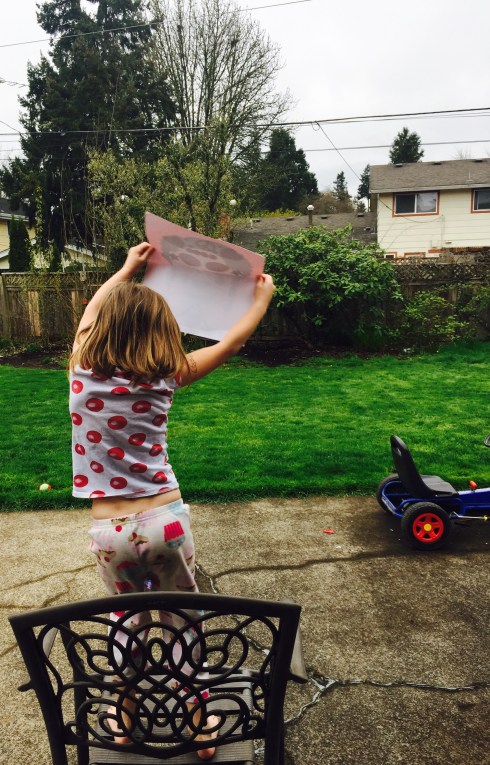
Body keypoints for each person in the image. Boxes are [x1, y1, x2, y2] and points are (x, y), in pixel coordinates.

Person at [69, 241, 275, 759]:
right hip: (166, 521)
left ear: (100, 329)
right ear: (163, 331)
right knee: (183, 622)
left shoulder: (80, 368)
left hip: (110, 532)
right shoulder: (168, 376)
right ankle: (199, 726)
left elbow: (92, 314)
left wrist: (126, 270)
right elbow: (231, 343)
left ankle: (125, 719)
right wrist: (260, 300)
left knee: (127, 623)